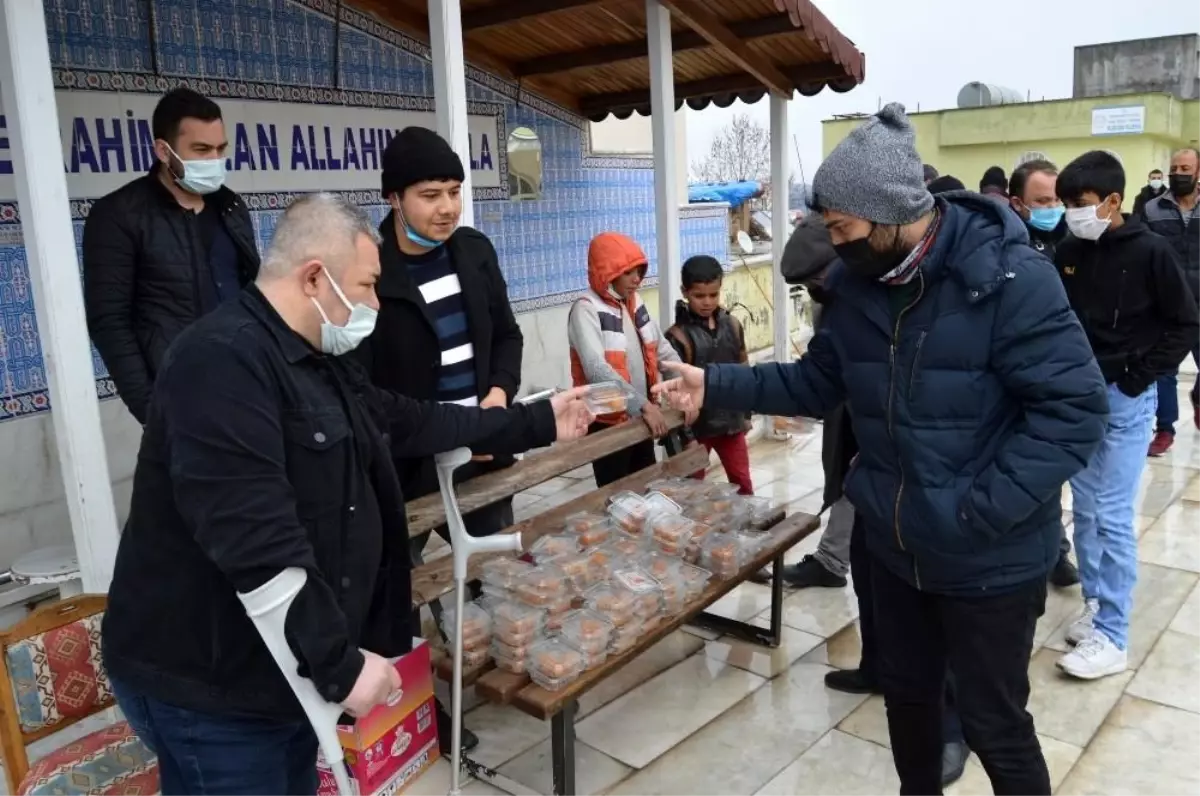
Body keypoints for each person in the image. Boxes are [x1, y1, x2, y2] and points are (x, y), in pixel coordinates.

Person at [654, 103, 1108, 795]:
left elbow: (1075, 413)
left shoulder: (1011, 280)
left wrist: (978, 512)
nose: (836, 245)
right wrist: (711, 379)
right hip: (895, 552)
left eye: (843, 228)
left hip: (988, 558)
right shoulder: (861, 288)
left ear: (893, 212)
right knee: (910, 702)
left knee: (994, 724)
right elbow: (815, 380)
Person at [101, 193, 592, 795]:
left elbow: (411, 420)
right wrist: (341, 666)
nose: (374, 304)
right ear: (315, 278)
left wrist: (532, 422)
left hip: (281, 671)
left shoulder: (318, 359)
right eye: (366, 285)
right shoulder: (219, 363)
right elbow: (257, 540)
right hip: (214, 684)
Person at [351, 126, 523, 753]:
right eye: (431, 194)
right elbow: (365, 385)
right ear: (394, 198)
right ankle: (426, 713)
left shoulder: (474, 252)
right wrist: (445, 428)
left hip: (480, 451)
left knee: (492, 574)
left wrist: (496, 401)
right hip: (405, 463)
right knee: (403, 591)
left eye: (454, 191)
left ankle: (509, 680)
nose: (448, 207)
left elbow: (506, 337)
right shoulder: (370, 269)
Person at [1053, 152, 1200, 680]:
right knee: (1087, 513)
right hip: (1077, 400)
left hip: (1124, 400)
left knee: (1112, 516)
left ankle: (1113, 634)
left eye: (1081, 204)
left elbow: (1184, 325)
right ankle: (1097, 605)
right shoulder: (1068, 252)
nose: (1072, 213)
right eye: (1067, 205)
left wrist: (1137, 378)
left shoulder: (1151, 253)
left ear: (1114, 201)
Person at [83, 88, 259, 424]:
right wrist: (154, 412)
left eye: (221, 149)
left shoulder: (232, 207)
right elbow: (110, 323)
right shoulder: (118, 215)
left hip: (249, 385)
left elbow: (251, 289)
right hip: (181, 399)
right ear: (164, 151)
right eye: (201, 150)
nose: (214, 160)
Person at [1006, 159, 1084, 581]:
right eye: (1042, 201)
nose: (1052, 207)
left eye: (1057, 199)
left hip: (1061, 372)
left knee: (1050, 466)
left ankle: (1056, 550)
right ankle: (1043, 550)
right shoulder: (1003, 248)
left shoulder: (1073, 243)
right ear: (1018, 204)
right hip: (1017, 375)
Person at [568, 232, 681, 485]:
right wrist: (643, 405)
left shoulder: (633, 302)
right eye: (628, 272)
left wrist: (683, 387)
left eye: (639, 271)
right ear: (607, 272)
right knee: (616, 499)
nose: (637, 279)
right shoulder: (585, 308)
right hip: (607, 423)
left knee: (646, 490)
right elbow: (596, 369)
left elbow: (661, 349)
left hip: (640, 417)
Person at [664, 256, 753, 494]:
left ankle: (753, 529)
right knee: (691, 490)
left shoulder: (733, 325)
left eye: (713, 295)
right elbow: (675, 393)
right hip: (697, 428)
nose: (707, 302)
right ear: (685, 292)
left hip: (731, 425)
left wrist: (746, 415)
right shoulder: (677, 336)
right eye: (699, 296)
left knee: (743, 482)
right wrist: (686, 435)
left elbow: (744, 371)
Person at [1141, 148, 1200, 439]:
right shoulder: (1153, 209)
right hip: (1168, 303)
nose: (1179, 173)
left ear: (1198, 171)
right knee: (1164, 368)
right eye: (1174, 168)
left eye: (1185, 168)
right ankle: (1165, 428)